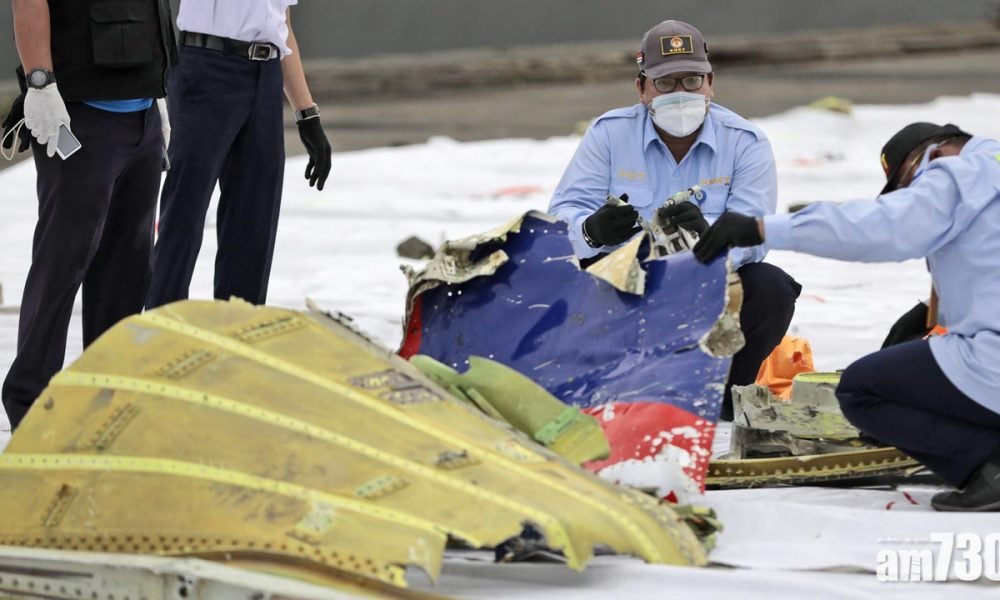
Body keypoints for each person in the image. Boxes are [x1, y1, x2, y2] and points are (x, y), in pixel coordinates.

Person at [694, 122, 1000, 511]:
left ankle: (989, 467)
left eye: (911, 190)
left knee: (862, 389)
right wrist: (929, 312)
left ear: (937, 154)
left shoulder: (954, 174)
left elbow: (881, 228)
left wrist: (762, 229)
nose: (919, 197)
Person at [548, 19, 800, 420]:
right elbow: (561, 216)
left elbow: (756, 234)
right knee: (562, 291)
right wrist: (592, 231)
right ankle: (607, 395)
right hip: (623, 282)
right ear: (642, 88)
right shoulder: (609, 135)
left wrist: (713, 237)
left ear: (710, 83)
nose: (679, 93)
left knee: (771, 288)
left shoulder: (744, 142)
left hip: (708, 283)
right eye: (665, 83)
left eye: (691, 80)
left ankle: (720, 407)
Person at [1, 0, 177, 430]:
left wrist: (158, 100)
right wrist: (40, 83)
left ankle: (112, 395)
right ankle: (31, 398)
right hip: (80, 118)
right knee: (63, 261)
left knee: (129, 268)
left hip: (142, 114)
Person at [145, 0, 332, 309]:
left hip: (266, 74)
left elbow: (282, 26)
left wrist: (306, 113)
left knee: (254, 215)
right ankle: (160, 322)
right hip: (206, 66)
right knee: (184, 210)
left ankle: (239, 326)